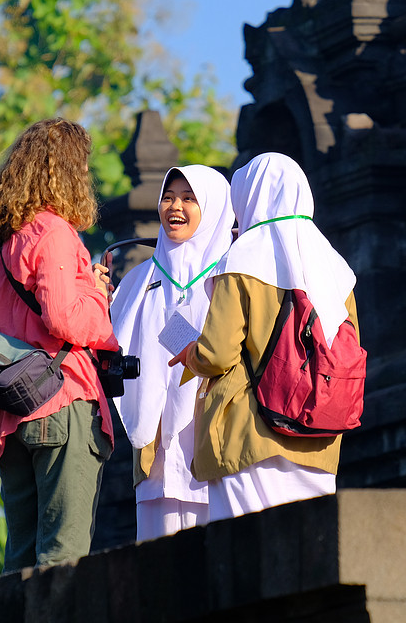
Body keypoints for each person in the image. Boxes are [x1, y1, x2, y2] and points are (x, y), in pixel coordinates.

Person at [168, 152, 360, 521]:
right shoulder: (336, 266)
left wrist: (192, 353)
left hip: (249, 433)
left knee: (250, 559)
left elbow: (217, 354)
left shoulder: (241, 259)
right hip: (319, 437)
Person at [0, 117, 118, 571]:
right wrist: (98, 298)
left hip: (10, 408)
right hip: (60, 402)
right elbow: (62, 317)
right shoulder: (54, 232)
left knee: (19, 559)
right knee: (62, 557)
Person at [106, 165, 235, 540]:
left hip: (212, 439)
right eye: (168, 197)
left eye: (189, 198)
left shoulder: (230, 273)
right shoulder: (138, 279)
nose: (175, 206)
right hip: (157, 453)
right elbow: (112, 343)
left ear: (212, 206)